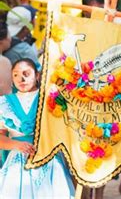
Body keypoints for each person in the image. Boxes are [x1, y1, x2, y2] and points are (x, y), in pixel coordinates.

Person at [0, 58, 75, 198]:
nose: (21, 78)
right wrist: (17, 144)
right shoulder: (5, 103)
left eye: (26, 73)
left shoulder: (50, 98)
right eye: (15, 74)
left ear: (37, 75)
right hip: (17, 164)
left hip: (48, 159)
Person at [0, 22, 12, 95]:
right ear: (1, 41)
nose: (10, 38)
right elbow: (5, 92)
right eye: (9, 34)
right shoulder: (3, 62)